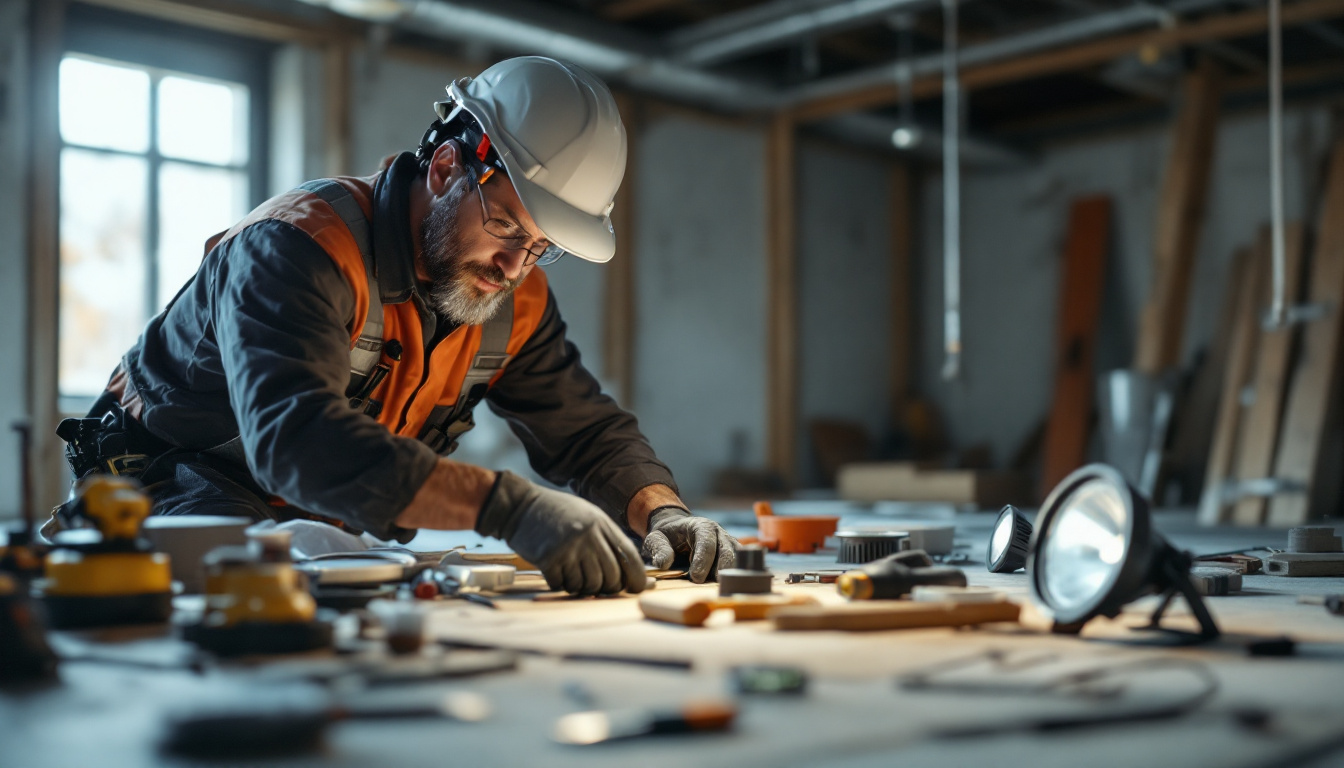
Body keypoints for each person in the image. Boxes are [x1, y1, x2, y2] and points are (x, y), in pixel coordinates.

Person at [55, 56, 736, 596]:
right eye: (504, 225)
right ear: (445, 170)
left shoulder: (511, 293)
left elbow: (583, 430)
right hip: (172, 501)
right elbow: (296, 439)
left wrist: (662, 512)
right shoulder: (299, 247)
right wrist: (508, 506)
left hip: (309, 527)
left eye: (540, 247)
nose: (513, 266)